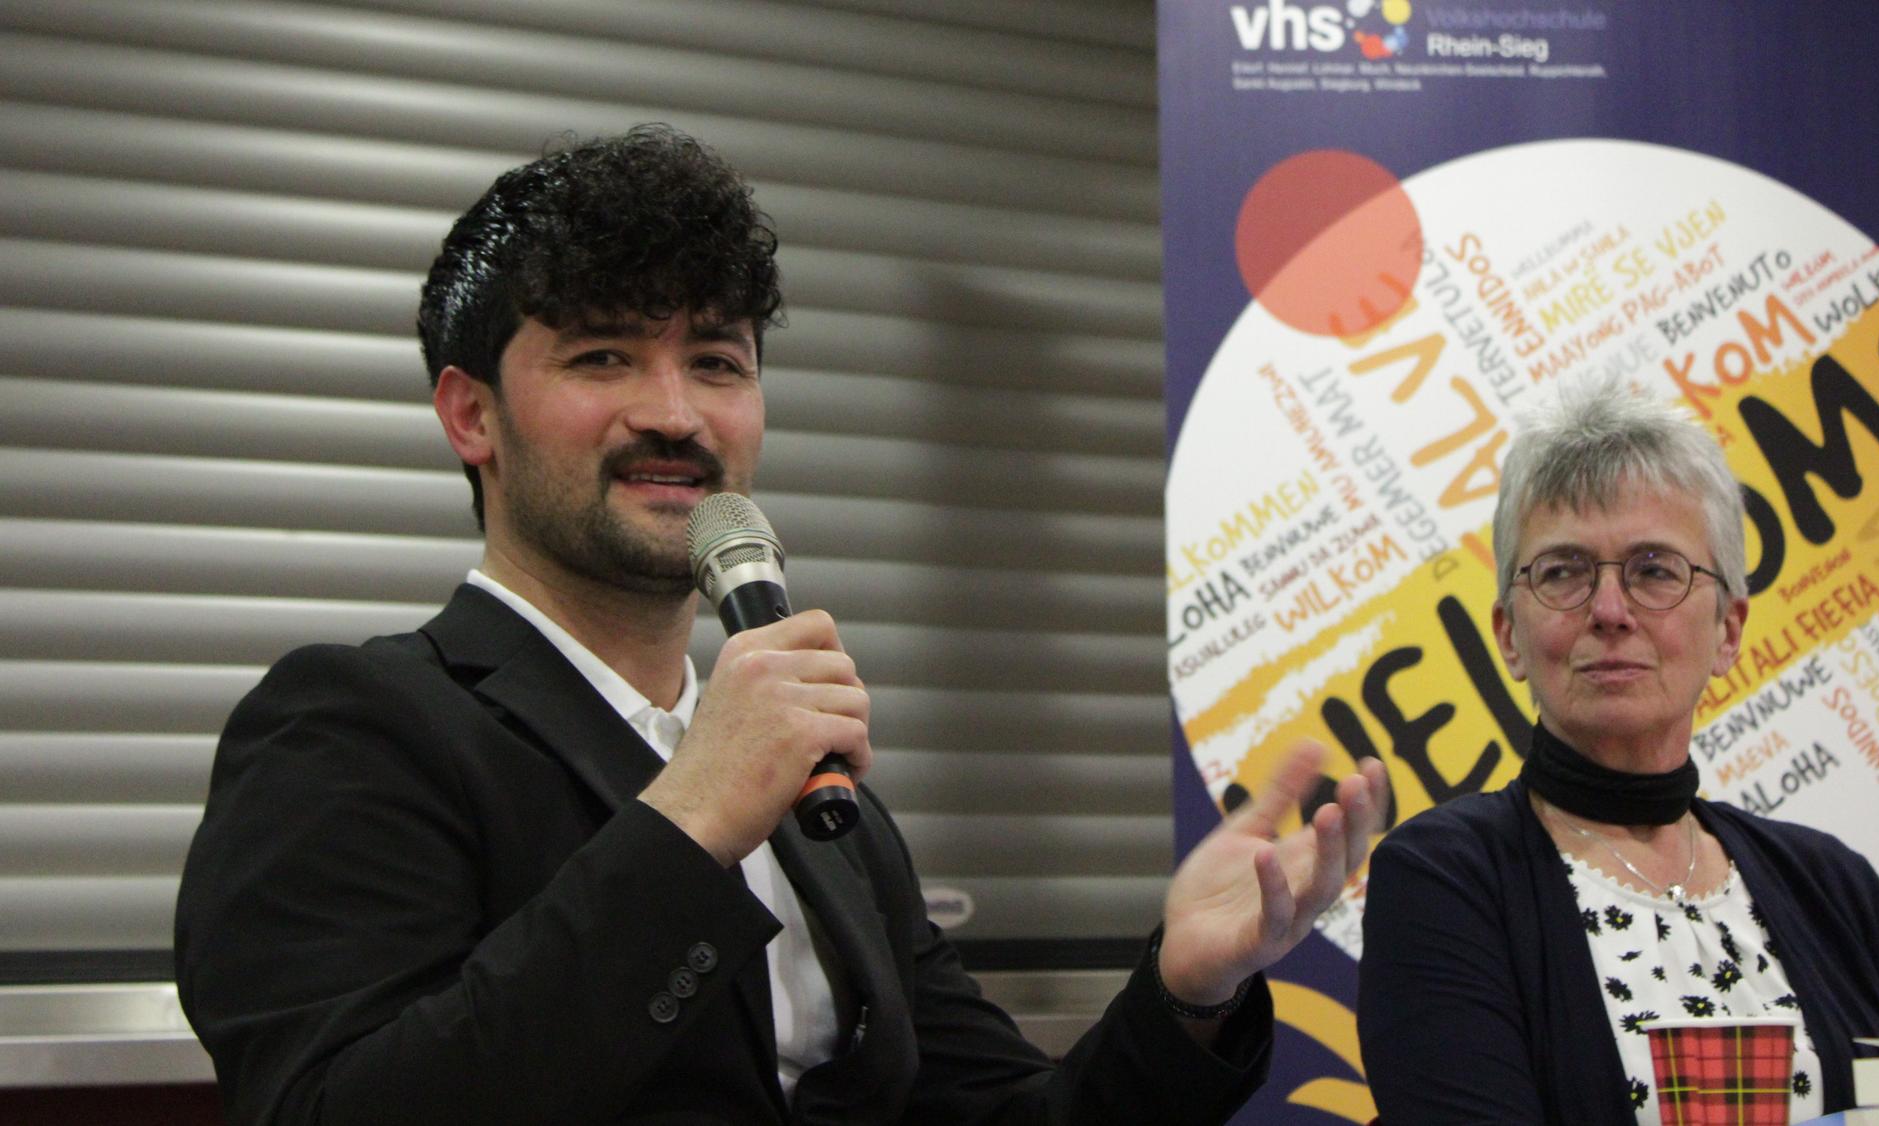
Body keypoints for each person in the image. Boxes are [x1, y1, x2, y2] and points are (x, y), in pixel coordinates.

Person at [173, 123, 1389, 1126]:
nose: (674, 414)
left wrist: (1179, 994)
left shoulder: (806, 786)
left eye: (715, 361)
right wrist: (691, 816)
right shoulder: (354, 726)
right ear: (470, 414)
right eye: (602, 356)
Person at [1355, 377, 1879, 1124]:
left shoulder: (1836, 885)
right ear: (1509, 633)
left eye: (1654, 570)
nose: (1609, 611)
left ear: (1728, 629)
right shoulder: (1443, 879)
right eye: (1563, 571)